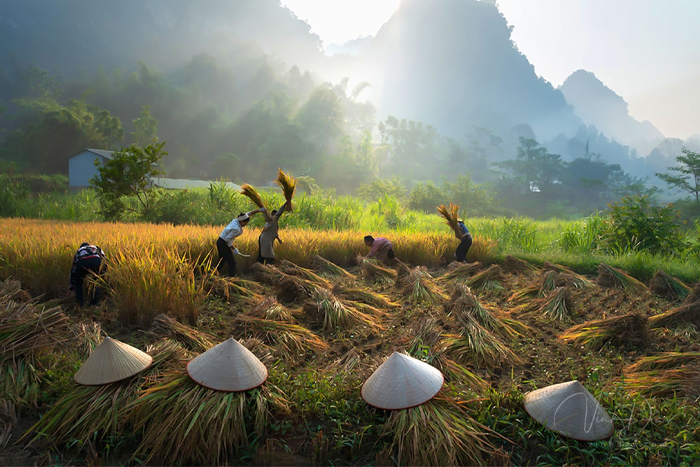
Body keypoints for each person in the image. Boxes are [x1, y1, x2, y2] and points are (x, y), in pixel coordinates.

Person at [217, 209, 262, 276]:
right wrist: (233, 248)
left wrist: (258, 210)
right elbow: (227, 240)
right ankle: (231, 279)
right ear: (242, 221)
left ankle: (211, 273)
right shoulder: (236, 229)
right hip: (223, 243)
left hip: (219, 241)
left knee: (222, 260)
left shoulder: (236, 220)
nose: (246, 225)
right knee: (232, 263)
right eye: (245, 223)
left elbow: (248, 214)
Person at [69, 242, 106, 307]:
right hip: (96, 262)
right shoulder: (96, 247)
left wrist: (71, 287)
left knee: (78, 282)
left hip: (82, 263)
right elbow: (104, 259)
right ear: (89, 245)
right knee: (95, 281)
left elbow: (73, 270)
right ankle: (94, 304)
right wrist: (103, 273)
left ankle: (80, 304)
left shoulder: (79, 251)